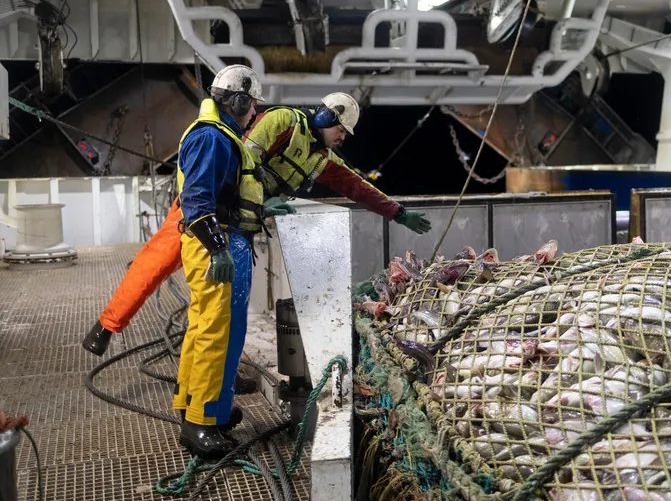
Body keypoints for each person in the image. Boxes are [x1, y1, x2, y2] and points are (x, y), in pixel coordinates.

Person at [82, 93, 432, 357]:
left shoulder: (320, 159)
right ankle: (106, 326)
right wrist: (261, 203)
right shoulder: (283, 121)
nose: (342, 138)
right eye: (341, 130)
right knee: (155, 264)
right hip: (207, 208)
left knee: (221, 310)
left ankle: (219, 376)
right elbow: (242, 160)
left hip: (239, 225)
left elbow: (356, 186)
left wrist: (397, 212)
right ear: (326, 116)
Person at [171, 64, 277, 457]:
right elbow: (197, 198)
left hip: (212, 242)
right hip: (213, 245)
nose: (253, 114)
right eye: (251, 106)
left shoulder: (215, 133)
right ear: (239, 100)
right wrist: (217, 249)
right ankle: (199, 426)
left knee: (205, 330)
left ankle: (203, 408)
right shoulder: (213, 138)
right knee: (217, 333)